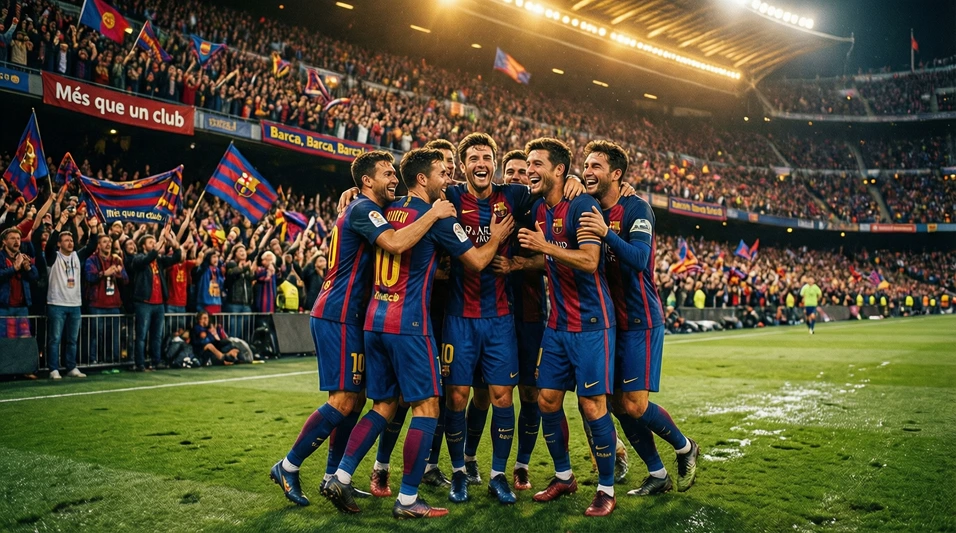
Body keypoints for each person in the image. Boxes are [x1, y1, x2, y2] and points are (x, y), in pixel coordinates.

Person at [321, 148, 513, 519]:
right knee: (427, 408)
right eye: (442, 172)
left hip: (374, 321)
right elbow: (476, 262)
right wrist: (496, 236)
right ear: (423, 179)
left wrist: (353, 191)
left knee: (383, 405)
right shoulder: (437, 215)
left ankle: (340, 477)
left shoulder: (386, 209)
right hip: (408, 324)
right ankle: (408, 498)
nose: (449, 179)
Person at [270, 150, 457, 508]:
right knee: (343, 401)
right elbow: (395, 243)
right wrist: (434, 213)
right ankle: (288, 466)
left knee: (356, 401)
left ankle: (333, 477)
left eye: (395, 173)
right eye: (387, 174)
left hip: (356, 315)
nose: (394, 179)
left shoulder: (366, 206)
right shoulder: (363, 209)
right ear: (368, 181)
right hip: (339, 313)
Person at [578, 140, 699, 497]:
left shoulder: (637, 208)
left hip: (640, 319)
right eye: (585, 165)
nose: (587, 171)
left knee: (634, 404)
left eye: (595, 166)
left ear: (616, 174)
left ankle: (685, 447)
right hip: (608, 323)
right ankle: (658, 473)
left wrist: (605, 233)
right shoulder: (589, 206)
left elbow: (639, 260)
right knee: (617, 405)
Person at [515, 137, 617, 516]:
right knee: (546, 400)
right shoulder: (539, 207)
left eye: (536, 164)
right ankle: (564, 476)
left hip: (591, 323)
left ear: (559, 170)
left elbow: (589, 261)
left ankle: (606, 489)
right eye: (527, 164)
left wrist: (544, 247)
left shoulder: (583, 205)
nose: (529, 170)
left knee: (591, 405)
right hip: (557, 325)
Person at [44, 212, 99, 379]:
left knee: (72, 339)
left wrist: (94, 229)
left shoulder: (77, 256)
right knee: (55, 339)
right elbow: (49, 245)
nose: (70, 242)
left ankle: (71, 367)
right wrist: (60, 223)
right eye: (66, 240)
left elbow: (91, 246)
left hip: (75, 304)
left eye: (71, 240)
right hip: (56, 303)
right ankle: (53, 369)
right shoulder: (53, 256)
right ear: (59, 244)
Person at [130, 226, 183, 371]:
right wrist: (159, 243)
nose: (154, 244)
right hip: (144, 303)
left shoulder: (159, 260)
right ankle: (140, 363)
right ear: (143, 246)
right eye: (151, 243)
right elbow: (147, 258)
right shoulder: (137, 258)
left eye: (155, 242)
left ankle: (156, 361)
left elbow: (177, 257)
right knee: (141, 336)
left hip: (159, 304)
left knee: (157, 336)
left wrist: (172, 241)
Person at [85, 233, 128, 365]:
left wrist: (119, 274)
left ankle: (113, 361)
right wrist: (104, 273)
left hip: (114, 305)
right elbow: (89, 277)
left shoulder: (117, 260)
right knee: (96, 335)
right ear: (98, 245)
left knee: (114, 336)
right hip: (97, 304)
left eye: (109, 242)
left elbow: (126, 280)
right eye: (104, 242)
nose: (108, 244)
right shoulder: (91, 260)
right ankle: (93, 361)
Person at [0, 227, 38, 338]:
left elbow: (35, 276)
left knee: (23, 341)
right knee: (4, 341)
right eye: (12, 238)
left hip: (22, 308)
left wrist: (28, 268)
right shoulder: (1, 257)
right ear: (4, 241)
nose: (16, 241)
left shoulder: (23, 257)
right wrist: (14, 268)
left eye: (18, 238)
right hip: (3, 307)